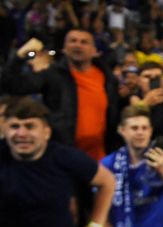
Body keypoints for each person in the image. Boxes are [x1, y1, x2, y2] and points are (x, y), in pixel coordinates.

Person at [0, 97, 115, 227]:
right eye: (14, 126)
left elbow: (107, 181)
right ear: (4, 130)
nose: (21, 133)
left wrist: (96, 225)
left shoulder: (66, 158)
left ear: (46, 132)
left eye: (30, 126)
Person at [3, 30, 120, 161]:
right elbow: (12, 86)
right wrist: (19, 56)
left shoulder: (108, 78)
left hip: (101, 157)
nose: (78, 45)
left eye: (84, 42)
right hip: (62, 157)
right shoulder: (51, 75)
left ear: (94, 50)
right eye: (73, 41)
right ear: (64, 49)